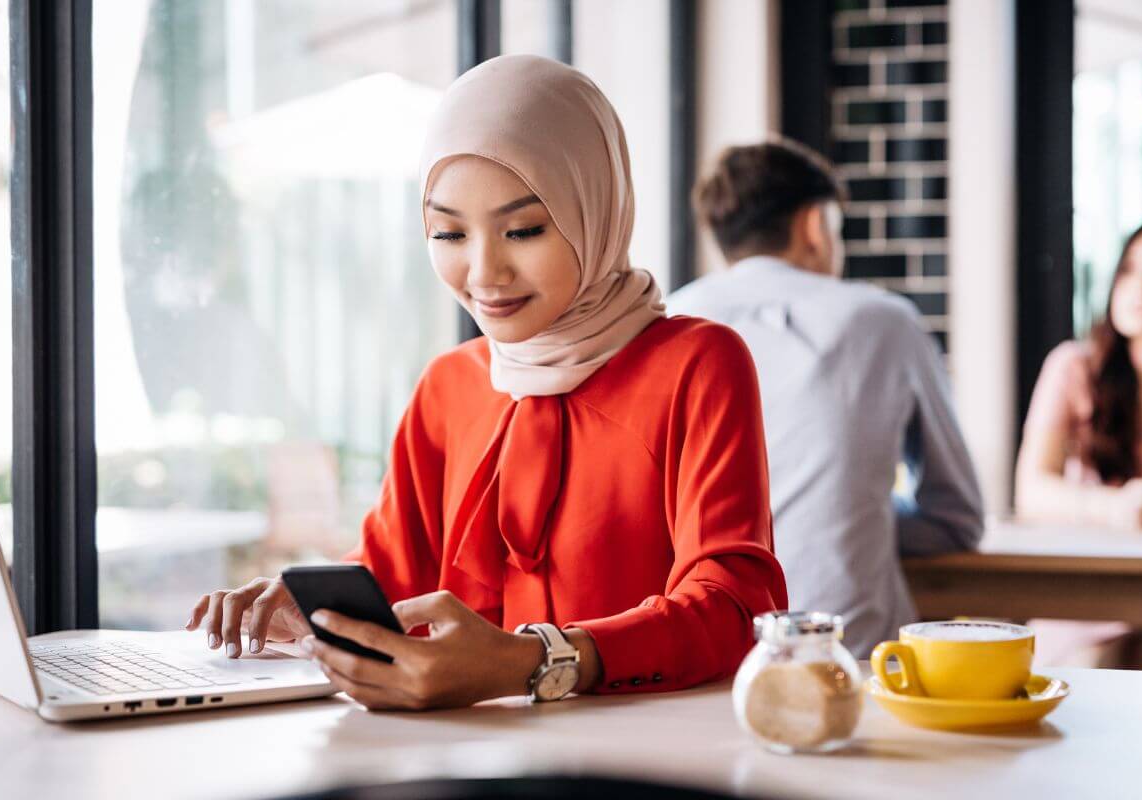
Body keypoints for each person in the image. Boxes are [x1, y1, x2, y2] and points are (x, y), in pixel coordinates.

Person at [185, 55, 788, 709]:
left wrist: (533, 662)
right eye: (448, 232)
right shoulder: (449, 386)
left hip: (640, 763)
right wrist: (308, 605)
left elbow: (735, 608)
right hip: (456, 756)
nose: (484, 272)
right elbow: (391, 577)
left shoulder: (697, 364)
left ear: (596, 206)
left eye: (524, 230)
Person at [666, 139, 982, 657]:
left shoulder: (670, 322)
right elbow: (957, 517)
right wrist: (851, 508)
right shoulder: (881, 320)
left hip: (696, 656)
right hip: (849, 664)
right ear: (814, 225)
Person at [1015, 215, 1142, 667]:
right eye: (1129, 269)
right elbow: (1031, 490)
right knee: (1108, 658)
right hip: (1093, 599)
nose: (1139, 287)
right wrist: (1114, 506)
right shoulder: (1074, 367)